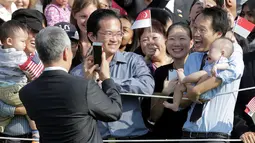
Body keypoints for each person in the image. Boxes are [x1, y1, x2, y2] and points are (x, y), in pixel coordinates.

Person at [19, 26, 122, 143]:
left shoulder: (26, 92)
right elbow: (114, 112)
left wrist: (88, 80)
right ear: (65, 53)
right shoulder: (84, 87)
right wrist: (107, 79)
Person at [72, 9, 154, 140]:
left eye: (118, 34)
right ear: (92, 36)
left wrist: (108, 81)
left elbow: (147, 87)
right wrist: (88, 83)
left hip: (132, 137)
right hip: (97, 138)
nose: (115, 39)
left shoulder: (133, 61)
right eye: (109, 34)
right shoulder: (78, 72)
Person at [179, 7, 244, 142]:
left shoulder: (231, 50)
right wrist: (189, 91)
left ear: (218, 33)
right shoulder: (193, 58)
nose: (196, 34)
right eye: (195, 28)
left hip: (216, 136)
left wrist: (198, 90)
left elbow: (234, 71)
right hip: (188, 134)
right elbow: (187, 93)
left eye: (202, 30)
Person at [141, 22, 192, 139]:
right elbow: (153, 116)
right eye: (172, 39)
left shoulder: (199, 69)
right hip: (164, 135)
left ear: (191, 42)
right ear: (166, 42)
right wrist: (165, 93)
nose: (177, 43)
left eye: (182, 38)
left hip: (189, 135)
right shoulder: (161, 72)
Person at [164, 38, 234, 111]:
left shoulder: (223, 60)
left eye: (210, 51)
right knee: (179, 86)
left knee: (203, 73)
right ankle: (175, 104)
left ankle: (184, 79)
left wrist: (216, 66)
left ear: (222, 53)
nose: (208, 53)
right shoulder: (208, 61)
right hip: (197, 90)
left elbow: (226, 66)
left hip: (204, 92)